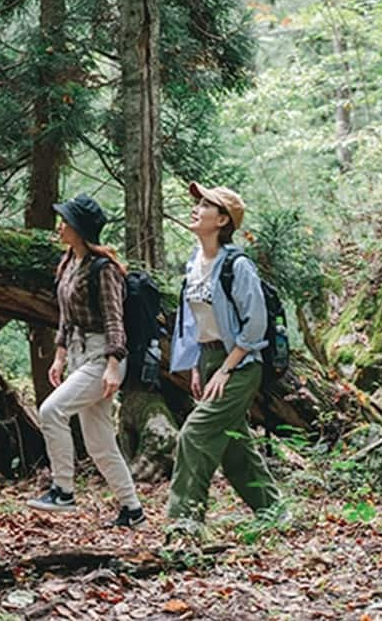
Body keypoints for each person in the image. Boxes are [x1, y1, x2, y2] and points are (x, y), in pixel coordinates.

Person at [166, 182, 283, 531]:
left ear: (222, 220)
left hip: (242, 365)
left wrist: (226, 370)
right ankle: (274, 511)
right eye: (198, 203)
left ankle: (185, 522)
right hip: (209, 359)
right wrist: (200, 366)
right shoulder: (194, 263)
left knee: (194, 434)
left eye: (205, 205)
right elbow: (197, 321)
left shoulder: (238, 265)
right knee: (234, 447)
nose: (196, 208)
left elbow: (255, 325)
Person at [26, 193, 146, 528]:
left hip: (102, 357)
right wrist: (59, 355)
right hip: (80, 355)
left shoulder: (104, 269)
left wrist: (112, 365)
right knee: (100, 444)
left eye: (66, 221)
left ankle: (62, 490)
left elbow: (114, 320)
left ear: (80, 229)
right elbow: (65, 317)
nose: (61, 226)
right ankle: (133, 510)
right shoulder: (68, 263)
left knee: (52, 411)